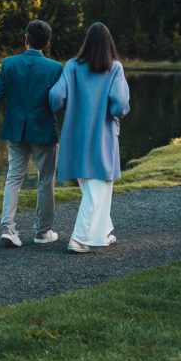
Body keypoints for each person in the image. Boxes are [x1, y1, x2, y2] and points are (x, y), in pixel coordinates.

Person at [49, 22, 130, 253]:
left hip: (75, 135)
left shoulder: (73, 66)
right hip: (102, 136)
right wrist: (116, 111)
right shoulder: (115, 68)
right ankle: (79, 239)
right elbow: (120, 104)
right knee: (98, 188)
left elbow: (56, 95)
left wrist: (62, 107)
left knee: (92, 188)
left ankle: (103, 231)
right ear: (109, 44)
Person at [0, 20, 63, 247]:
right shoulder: (56, 68)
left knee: (14, 178)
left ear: (26, 40)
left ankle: (8, 228)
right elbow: (59, 101)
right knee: (46, 181)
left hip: (16, 131)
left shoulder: (9, 63)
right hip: (44, 130)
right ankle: (42, 232)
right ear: (46, 44)